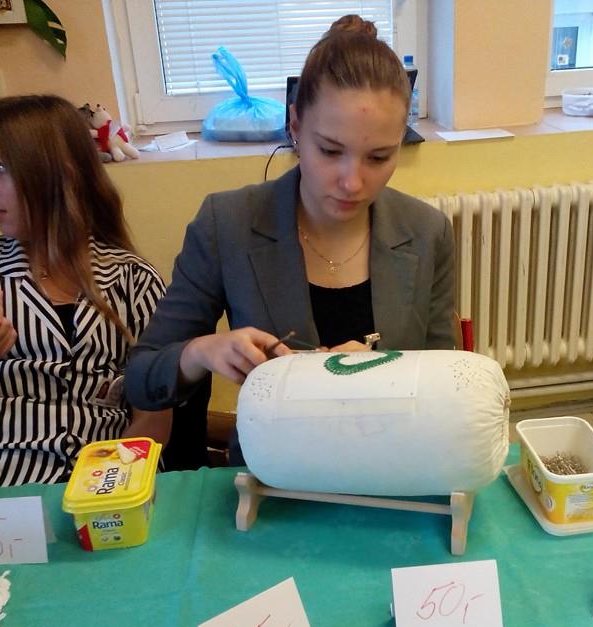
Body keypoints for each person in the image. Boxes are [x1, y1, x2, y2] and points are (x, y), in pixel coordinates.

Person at [126, 16, 455, 459]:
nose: (352, 182)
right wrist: (203, 351)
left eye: (379, 157)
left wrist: (385, 371)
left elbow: (446, 382)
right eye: (330, 151)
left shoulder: (427, 231)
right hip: (272, 471)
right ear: (296, 126)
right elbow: (142, 378)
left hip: (391, 465)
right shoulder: (228, 223)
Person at [0, 95, 171, 494]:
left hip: (98, 489)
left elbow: (152, 419)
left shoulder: (134, 280)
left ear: (59, 176)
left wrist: (105, 494)